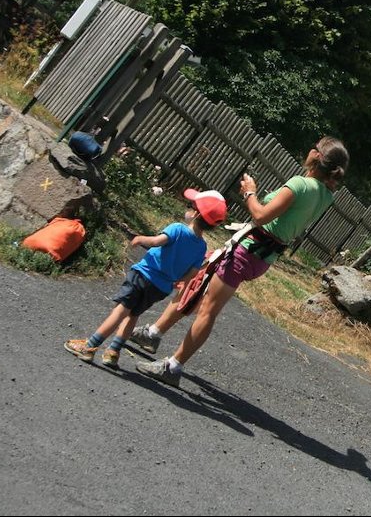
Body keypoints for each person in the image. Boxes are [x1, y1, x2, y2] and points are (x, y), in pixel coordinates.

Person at [134, 136, 349, 387]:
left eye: (315, 147)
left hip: (247, 250)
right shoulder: (325, 195)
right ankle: (153, 334)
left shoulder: (300, 184)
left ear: (316, 156)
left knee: (208, 309)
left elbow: (259, 216)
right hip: (262, 256)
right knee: (197, 285)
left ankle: (172, 367)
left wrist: (250, 193)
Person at [63, 188, 228, 369]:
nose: (187, 209)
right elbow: (192, 273)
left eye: (190, 206)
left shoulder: (177, 229)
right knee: (134, 315)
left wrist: (140, 238)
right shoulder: (201, 247)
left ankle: (89, 346)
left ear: (195, 214)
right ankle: (113, 352)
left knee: (121, 310)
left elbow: (157, 242)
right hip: (161, 288)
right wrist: (177, 280)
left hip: (143, 275)